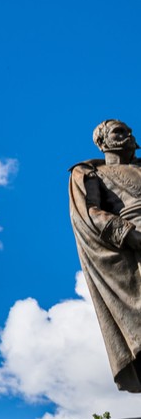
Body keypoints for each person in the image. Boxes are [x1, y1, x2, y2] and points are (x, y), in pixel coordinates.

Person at [69, 119, 141, 392]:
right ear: (102, 141)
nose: (128, 136)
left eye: (129, 131)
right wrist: (127, 234)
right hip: (134, 241)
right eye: (119, 132)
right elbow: (88, 213)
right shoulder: (90, 174)